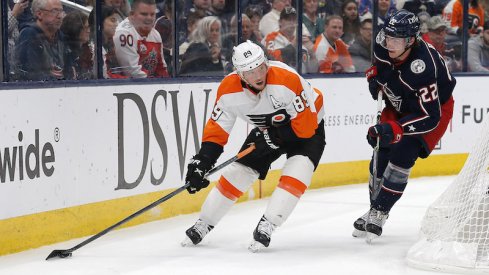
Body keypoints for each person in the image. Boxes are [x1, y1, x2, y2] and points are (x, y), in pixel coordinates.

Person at [181, 40, 326, 252]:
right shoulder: (228, 91)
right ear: (239, 74)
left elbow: (305, 128)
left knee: (298, 170)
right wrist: (202, 161)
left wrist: (273, 138)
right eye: (250, 72)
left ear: (266, 63)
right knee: (239, 170)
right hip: (269, 128)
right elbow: (217, 130)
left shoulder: (286, 79)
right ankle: (204, 222)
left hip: (309, 127)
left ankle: (269, 223)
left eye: (261, 68)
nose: (258, 76)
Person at [352, 10, 455, 241]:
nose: (389, 43)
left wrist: (395, 129)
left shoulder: (424, 66)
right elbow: (379, 66)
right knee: (381, 150)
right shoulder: (383, 42)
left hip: (432, 109)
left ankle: (380, 211)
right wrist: (374, 78)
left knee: (403, 154)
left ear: (411, 40)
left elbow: (429, 116)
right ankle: (373, 207)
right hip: (399, 100)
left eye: (396, 39)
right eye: (388, 36)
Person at [114, 0, 169, 78]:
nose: (149, 18)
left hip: (151, 84)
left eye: (152, 14)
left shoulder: (155, 34)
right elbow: (132, 73)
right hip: (125, 86)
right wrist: (156, 84)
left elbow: (161, 68)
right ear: (132, 14)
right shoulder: (124, 34)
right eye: (144, 14)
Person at [15, 0, 67, 81]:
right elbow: (31, 75)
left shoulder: (60, 36)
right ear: (39, 14)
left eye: (61, 11)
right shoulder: (29, 35)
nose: (60, 16)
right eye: (54, 11)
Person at [61, 11, 94, 80]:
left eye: (89, 27)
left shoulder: (88, 49)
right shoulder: (66, 52)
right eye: (85, 28)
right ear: (75, 28)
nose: (88, 31)